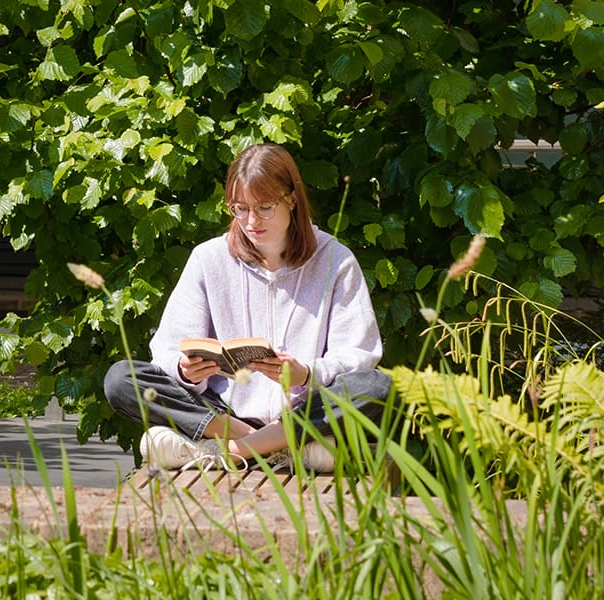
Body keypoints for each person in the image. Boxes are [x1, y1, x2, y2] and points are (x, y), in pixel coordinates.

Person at [102, 143, 391, 472]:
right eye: (240, 208)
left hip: (301, 411)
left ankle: (223, 451)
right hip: (222, 412)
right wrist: (185, 370)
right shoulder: (209, 258)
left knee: (376, 386)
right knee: (120, 379)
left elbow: (359, 353)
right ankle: (277, 446)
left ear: (292, 199)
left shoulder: (335, 260)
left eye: (265, 207)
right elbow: (168, 347)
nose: (251, 221)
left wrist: (307, 373)